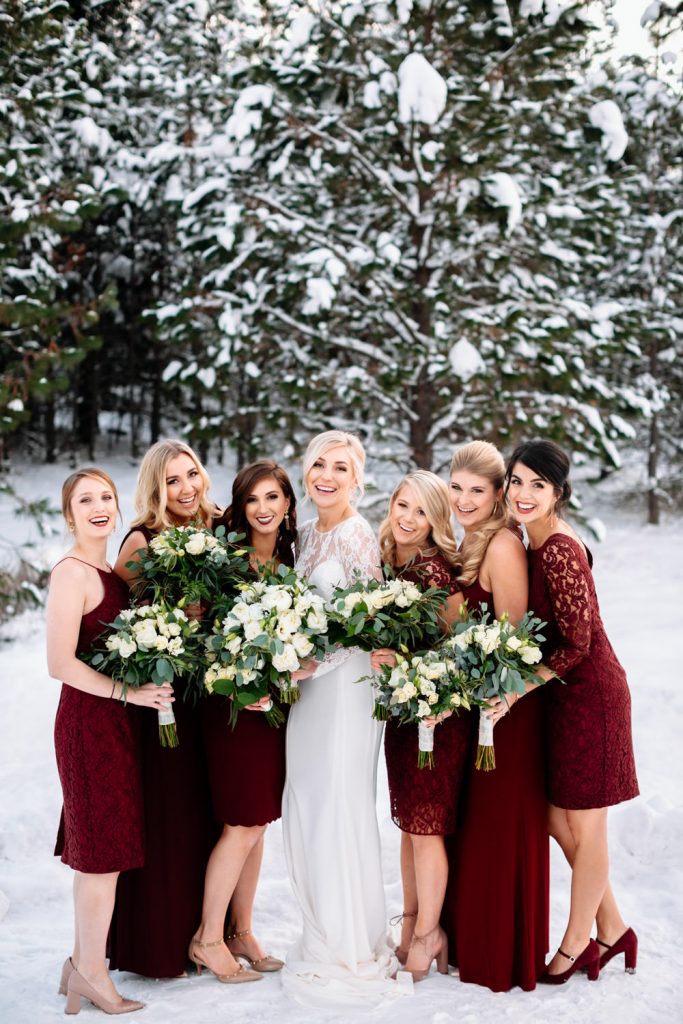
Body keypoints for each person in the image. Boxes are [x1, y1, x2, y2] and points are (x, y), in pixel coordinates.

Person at [506, 439, 638, 984]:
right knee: (560, 821)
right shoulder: (529, 539)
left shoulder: (556, 547)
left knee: (586, 827)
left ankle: (578, 941)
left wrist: (516, 686)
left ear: (559, 492)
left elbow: (578, 642)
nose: (525, 493)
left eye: (539, 485)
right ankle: (612, 928)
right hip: (564, 697)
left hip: (592, 696)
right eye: (517, 481)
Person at [281, 430, 405, 1009]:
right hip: (306, 693)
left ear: (357, 479)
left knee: (337, 799)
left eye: (339, 468)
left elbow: (367, 627)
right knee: (307, 799)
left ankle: (348, 941)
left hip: (346, 692)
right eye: (317, 465)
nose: (324, 476)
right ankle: (321, 930)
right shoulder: (305, 535)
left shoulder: (357, 536)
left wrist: (308, 665)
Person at [48, 468, 174, 1015]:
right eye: (85, 499)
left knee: (106, 852)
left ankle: (79, 963)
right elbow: (59, 664)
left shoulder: (112, 571)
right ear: (68, 512)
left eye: (106, 497)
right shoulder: (71, 574)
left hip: (118, 726)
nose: (99, 507)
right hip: (87, 726)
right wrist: (128, 692)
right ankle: (93, 976)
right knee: (98, 858)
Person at [108, 439, 222, 979]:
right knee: (167, 815)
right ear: (155, 487)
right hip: (161, 700)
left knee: (201, 813)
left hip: (209, 699)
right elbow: (115, 630)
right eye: (172, 480)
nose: (185, 488)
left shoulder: (215, 531)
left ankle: (199, 936)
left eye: (191, 474)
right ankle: (155, 946)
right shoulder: (140, 540)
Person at [440, 439, 549, 991]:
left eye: (476, 490)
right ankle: (469, 944)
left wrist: (486, 694)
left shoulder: (503, 545)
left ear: (499, 493)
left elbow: (514, 636)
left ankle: (501, 953)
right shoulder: (467, 542)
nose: (463, 499)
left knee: (497, 830)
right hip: (475, 707)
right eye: (455, 488)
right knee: (473, 829)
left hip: (505, 711)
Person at [191, 460, 298, 983]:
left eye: (273, 497)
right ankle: (207, 939)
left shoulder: (289, 561)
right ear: (240, 505)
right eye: (253, 499)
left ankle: (241, 930)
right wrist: (239, 684)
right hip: (230, 708)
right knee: (241, 823)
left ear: (287, 504)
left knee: (259, 824)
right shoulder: (223, 560)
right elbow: (199, 637)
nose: (263, 508)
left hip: (272, 712)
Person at [370, 471, 470, 982]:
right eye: (401, 505)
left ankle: (430, 932)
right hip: (403, 714)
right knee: (409, 827)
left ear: (437, 520)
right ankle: (411, 924)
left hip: (436, 716)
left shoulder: (435, 571)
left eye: (420, 512)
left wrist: (409, 665)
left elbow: (462, 647)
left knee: (426, 830)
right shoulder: (394, 562)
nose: (407, 519)